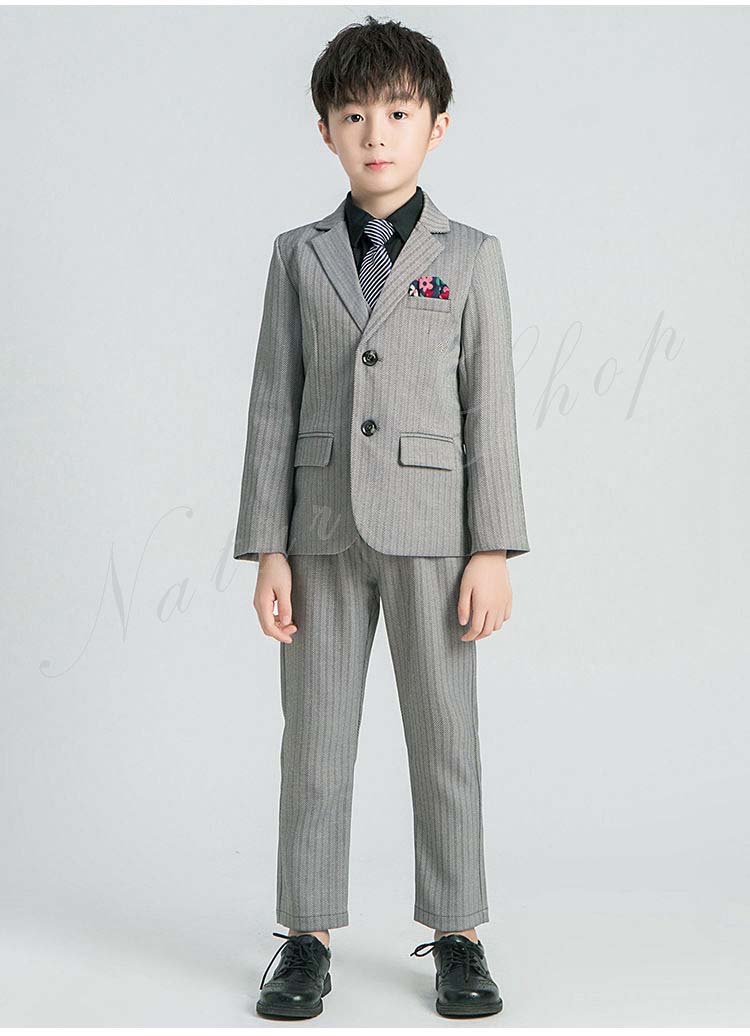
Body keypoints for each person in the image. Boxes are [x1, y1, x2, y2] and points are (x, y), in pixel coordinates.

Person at [233, 15, 531, 1020]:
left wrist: (492, 546)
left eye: (398, 113)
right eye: (354, 114)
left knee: (445, 742)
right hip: (319, 531)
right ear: (325, 129)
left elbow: (491, 407)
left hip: (435, 535)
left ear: (437, 125)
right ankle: (305, 936)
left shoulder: (471, 256)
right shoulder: (297, 255)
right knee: (314, 745)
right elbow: (273, 402)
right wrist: (267, 547)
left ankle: (459, 933)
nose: (376, 133)